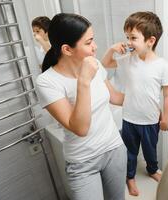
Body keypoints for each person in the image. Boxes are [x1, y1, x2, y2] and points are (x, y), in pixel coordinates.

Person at [35, 13, 127, 200]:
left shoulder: (96, 65)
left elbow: (115, 97)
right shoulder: (47, 82)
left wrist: (149, 97)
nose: (95, 47)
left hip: (114, 150)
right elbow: (80, 127)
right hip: (82, 163)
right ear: (67, 49)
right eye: (88, 42)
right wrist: (84, 81)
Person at [102, 11, 168, 196]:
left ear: (150, 40)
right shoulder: (127, 60)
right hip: (129, 118)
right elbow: (105, 65)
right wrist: (112, 49)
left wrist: (165, 118)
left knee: (151, 150)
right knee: (130, 152)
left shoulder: (162, 66)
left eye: (133, 37)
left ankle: (152, 169)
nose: (128, 42)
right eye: (127, 37)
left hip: (150, 120)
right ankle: (130, 177)